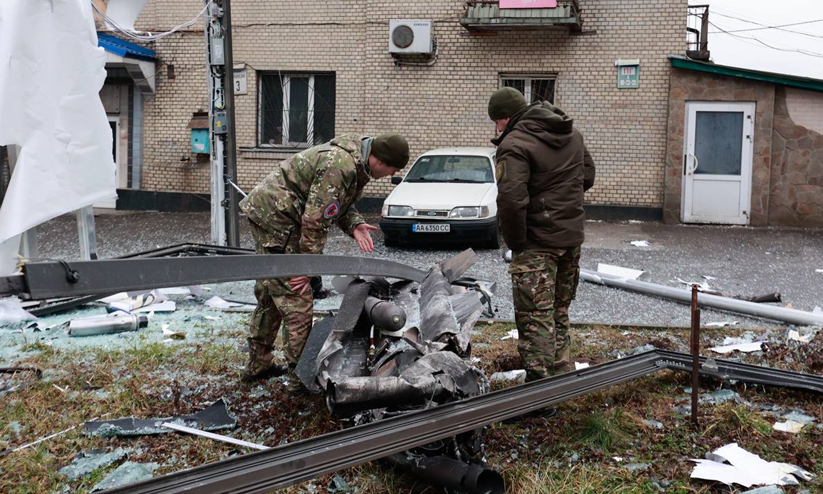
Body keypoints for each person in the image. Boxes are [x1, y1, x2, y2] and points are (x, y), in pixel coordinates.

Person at [239, 133, 410, 391]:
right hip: (278, 219)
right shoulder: (340, 165)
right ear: (380, 159)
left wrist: (353, 224)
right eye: (391, 170)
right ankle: (301, 380)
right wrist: (308, 269)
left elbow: (336, 201)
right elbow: (315, 220)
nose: (388, 175)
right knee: (296, 296)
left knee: (270, 292)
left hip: (276, 214)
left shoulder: (355, 162)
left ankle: (258, 365)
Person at [488, 87, 595, 387]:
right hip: (571, 238)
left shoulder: (515, 143)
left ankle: (539, 396)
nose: (495, 128)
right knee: (558, 311)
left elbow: (510, 200)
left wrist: (517, 242)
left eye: (496, 121)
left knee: (535, 318)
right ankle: (562, 378)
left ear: (505, 118)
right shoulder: (571, 134)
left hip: (536, 244)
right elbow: (588, 175)